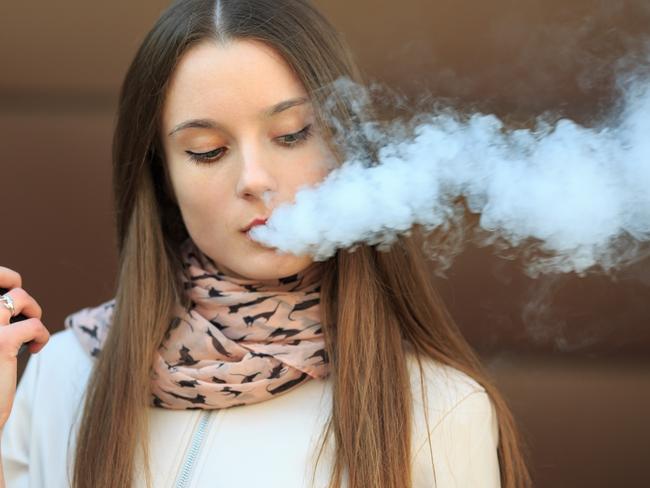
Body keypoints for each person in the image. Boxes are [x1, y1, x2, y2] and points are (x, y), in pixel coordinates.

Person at [0, 0, 532, 486]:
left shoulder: (441, 410)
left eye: (293, 134)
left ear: (346, 145)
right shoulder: (63, 376)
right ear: (162, 177)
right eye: (207, 150)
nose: (254, 178)